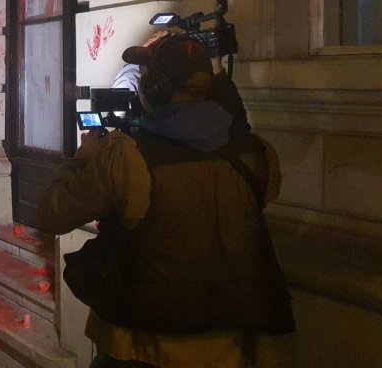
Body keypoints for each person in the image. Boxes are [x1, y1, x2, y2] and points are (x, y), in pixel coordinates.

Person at [37, 34, 294, 368]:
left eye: (145, 76)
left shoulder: (128, 157)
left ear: (154, 88)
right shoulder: (256, 154)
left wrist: (80, 159)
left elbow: (51, 214)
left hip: (141, 346)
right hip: (228, 346)